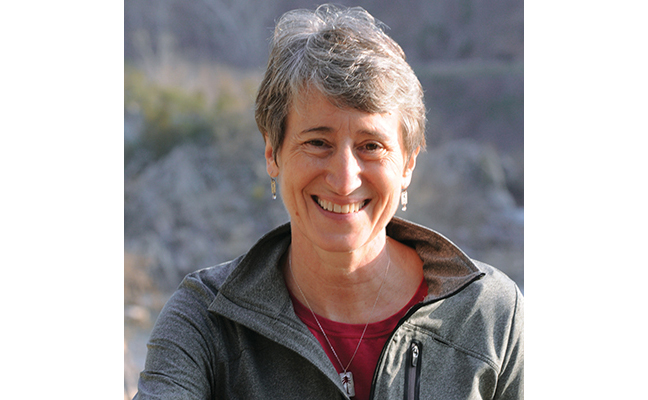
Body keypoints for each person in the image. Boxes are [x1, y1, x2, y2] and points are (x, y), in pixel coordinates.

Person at [134, 4, 523, 399]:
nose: (344, 179)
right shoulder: (205, 319)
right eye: (318, 142)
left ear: (408, 163)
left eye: (372, 146)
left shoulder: (493, 317)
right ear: (272, 153)